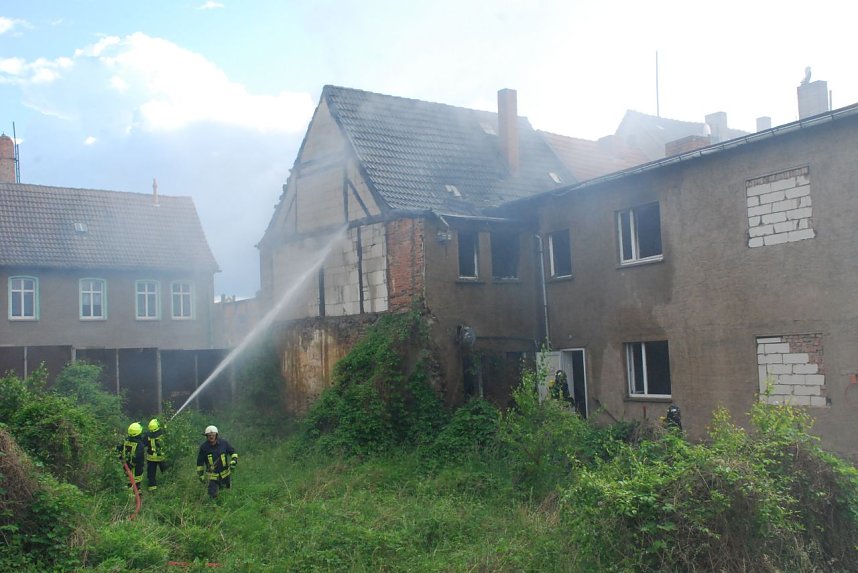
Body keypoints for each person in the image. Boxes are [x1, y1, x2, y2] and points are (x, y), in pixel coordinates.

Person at [196, 425, 238, 499]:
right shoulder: (204, 447)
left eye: (213, 435)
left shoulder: (224, 443)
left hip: (225, 476)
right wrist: (201, 476)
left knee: (226, 496)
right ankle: (213, 505)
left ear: (216, 435)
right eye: (209, 435)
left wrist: (234, 461)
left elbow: (233, 453)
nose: (211, 437)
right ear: (206, 436)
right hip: (212, 478)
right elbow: (200, 463)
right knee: (212, 497)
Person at [119, 422, 145, 492]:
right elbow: (138, 457)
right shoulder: (140, 445)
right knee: (136, 487)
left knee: (128, 484)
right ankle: (138, 496)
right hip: (136, 470)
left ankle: (128, 496)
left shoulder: (125, 441)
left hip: (125, 468)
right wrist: (131, 465)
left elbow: (118, 450)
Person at [145, 418, 167, 491]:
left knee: (151, 475)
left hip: (151, 458)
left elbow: (144, 443)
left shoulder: (147, 435)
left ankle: (152, 488)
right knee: (165, 472)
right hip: (161, 458)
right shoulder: (162, 434)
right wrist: (165, 427)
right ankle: (168, 484)